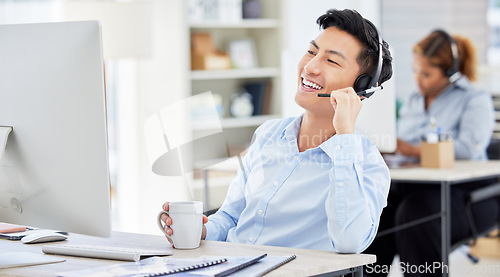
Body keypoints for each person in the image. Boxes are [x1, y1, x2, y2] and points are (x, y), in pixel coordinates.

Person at [161, 9, 394, 253]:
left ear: (361, 87)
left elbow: (350, 242)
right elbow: (232, 217)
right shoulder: (269, 134)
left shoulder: (367, 164)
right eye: (311, 52)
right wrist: (201, 230)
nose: (310, 66)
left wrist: (345, 136)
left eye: (331, 61)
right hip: (230, 265)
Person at [364, 30, 496, 276]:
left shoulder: (474, 99)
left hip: (469, 194)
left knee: (417, 213)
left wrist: (409, 148)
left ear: (450, 72)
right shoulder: (414, 100)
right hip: (414, 186)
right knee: (375, 208)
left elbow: (468, 149)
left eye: (426, 74)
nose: (418, 80)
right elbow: (399, 147)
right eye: (415, 71)